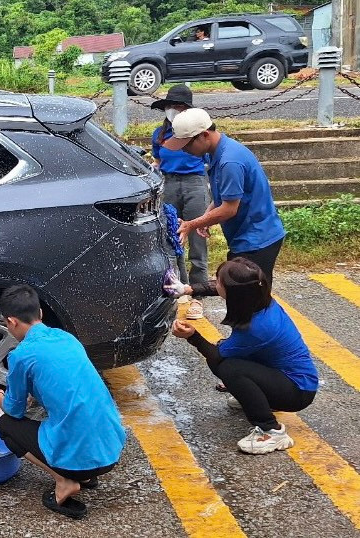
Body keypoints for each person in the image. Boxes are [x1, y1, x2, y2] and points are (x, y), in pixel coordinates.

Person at [0, 285, 126, 519]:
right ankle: (85, 477)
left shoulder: (21, 356)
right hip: (111, 450)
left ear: (11, 322)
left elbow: (14, 409)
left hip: (80, 460)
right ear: (40, 313)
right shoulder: (67, 339)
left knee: (6, 425)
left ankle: (64, 481)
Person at [171, 258, 317, 454]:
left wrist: (193, 336)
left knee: (227, 367)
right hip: (284, 376)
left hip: (297, 391)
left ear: (233, 294)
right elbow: (223, 288)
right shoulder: (257, 296)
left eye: (219, 281)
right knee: (228, 357)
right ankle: (257, 397)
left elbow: (216, 357)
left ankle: (271, 431)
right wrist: (186, 289)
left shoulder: (258, 328)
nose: (216, 283)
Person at [163, 108, 286, 295]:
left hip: (257, 239)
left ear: (204, 135)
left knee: (246, 296)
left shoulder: (230, 162)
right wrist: (207, 217)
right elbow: (224, 197)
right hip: (247, 236)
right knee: (243, 295)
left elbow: (229, 209)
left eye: (187, 145)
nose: (184, 150)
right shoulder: (216, 152)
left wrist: (191, 224)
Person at [151, 85, 210, 320]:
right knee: (173, 237)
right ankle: (181, 287)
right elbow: (157, 159)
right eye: (170, 106)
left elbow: (208, 159)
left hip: (195, 183)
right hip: (169, 183)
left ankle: (199, 292)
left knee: (197, 237)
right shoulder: (160, 133)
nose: (173, 110)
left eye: (178, 107)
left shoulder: (198, 133)